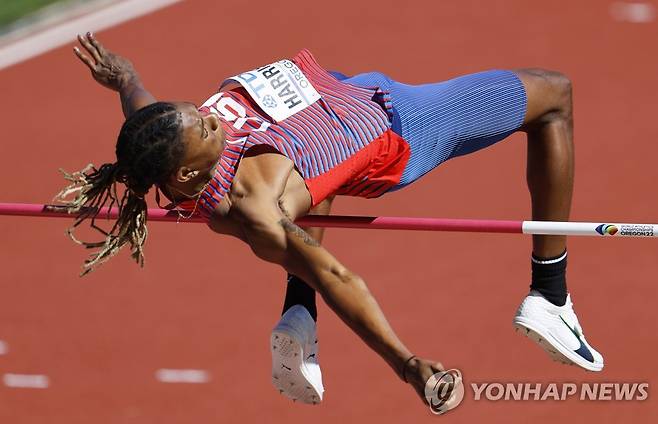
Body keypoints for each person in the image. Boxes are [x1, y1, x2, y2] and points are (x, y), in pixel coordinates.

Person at [58, 32, 603, 411]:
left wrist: (125, 78)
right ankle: (549, 295)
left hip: (340, 102)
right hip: (399, 126)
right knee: (553, 93)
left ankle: (297, 315)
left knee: (313, 184)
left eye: (195, 109)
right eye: (202, 126)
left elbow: (142, 110)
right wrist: (407, 364)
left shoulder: (164, 144)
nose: (206, 114)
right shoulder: (255, 210)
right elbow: (340, 277)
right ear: (186, 172)